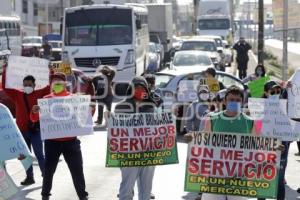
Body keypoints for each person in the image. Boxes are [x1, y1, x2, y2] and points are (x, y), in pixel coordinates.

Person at [185, 86, 255, 200]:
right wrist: (192, 138)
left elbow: (258, 145)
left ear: (242, 102)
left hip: (238, 174)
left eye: (237, 100)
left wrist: (275, 148)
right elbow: (203, 141)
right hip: (215, 173)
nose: (234, 102)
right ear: (224, 101)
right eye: (231, 100)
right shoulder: (212, 119)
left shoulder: (250, 122)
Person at [30, 73, 89, 200]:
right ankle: (45, 195)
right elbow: (35, 119)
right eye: (54, 81)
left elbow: (84, 119)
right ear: (51, 84)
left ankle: (82, 196)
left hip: (71, 142)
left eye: (59, 81)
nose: (56, 84)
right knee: (49, 171)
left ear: (64, 83)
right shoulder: (46, 100)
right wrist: (34, 112)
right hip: (52, 143)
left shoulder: (74, 98)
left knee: (77, 170)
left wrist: (87, 108)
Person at [2, 65, 49, 185]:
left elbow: (49, 87)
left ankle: (46, 177)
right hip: (21, 132)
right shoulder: (18, 94)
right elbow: (5, 87)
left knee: (39, 155)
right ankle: (30, 177)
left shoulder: (40, 93)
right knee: (24, 156)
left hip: (35, 131)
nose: (27, 86)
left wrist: (48, 70)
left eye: (29, 84)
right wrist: (5, 70)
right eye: (25, 84)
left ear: (34, 85)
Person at [115, 76, 157, 200]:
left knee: (146, 190)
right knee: (126, 189)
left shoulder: (151, 107)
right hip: (129, 154)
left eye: (142, 88)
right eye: (136, 87)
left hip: (148, 153)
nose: (139, 90)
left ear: (146, 90)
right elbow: (116, 132)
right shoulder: (121, 107)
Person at [258, 80, 287, 200]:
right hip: (263, 147)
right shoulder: (258, 107)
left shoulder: (287, 107)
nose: (275, 94)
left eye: (278, 91)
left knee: (279, 180)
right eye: (272, 91)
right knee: (262, 177)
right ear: (265, 93)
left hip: (281, 147)